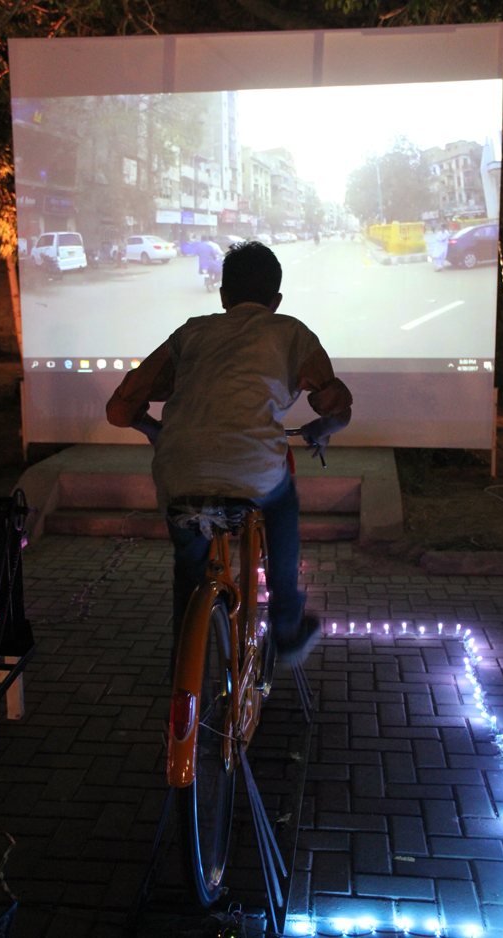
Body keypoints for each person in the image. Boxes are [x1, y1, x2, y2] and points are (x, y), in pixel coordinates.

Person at [106, 241, 352, 666]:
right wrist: (322, 428)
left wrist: (155, 431)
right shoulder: (291, 330)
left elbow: (119, 410)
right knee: (282, 501)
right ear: (275, 301)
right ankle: (287, 626)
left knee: (189, 566)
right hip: (254, 469)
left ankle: (184, 675)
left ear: (222, 297)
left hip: (178, 468)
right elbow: (337, 407)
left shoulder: (190, 332)